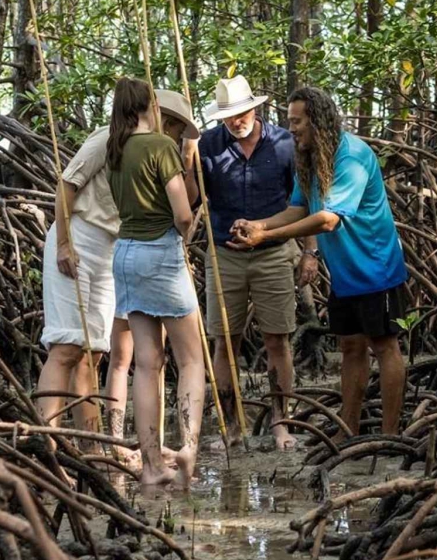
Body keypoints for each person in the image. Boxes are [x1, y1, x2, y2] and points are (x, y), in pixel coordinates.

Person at [228, 86, 409, 442]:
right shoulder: (310, 158)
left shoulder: (351, 157)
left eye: (297, 122)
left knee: (384, 346)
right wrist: (258, 225)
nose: (291, 129)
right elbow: (299, 208)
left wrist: (265, 238)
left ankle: (389, 436)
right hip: (345, 275)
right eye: (290, 121)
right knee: (351, 347)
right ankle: (347, 431)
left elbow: (327, 220)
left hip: (376, 269)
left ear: (318, 121)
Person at [37, 86, 199, 468]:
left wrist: (188, 156)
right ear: (159, 115)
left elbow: (184, 201)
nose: (174, 137)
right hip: (78, 237)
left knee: (92, 353)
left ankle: (92, 450)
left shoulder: (153, 149)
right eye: (174, 129)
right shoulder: (108, 139)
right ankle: (47, 452)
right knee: (65, 348)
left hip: (113, 248)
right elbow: (67, 185)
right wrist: (64, 244)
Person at [197, 76, 318, 450]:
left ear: (255, 108)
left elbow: (305, 200)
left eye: (242, 113)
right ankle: (232, 429)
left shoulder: (283, 143)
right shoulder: (207, 145)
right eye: (228, 116)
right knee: (224, 343)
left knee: (278, 339)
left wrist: (309, 252)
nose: (236, 121)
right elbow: (191, 199)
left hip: (274, 253)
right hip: (224, 256)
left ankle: (281, 424)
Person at [107, 78, 206, 489]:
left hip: (125, 254)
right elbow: (182, 213)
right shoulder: (160, 146)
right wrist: (187, 234)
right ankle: (188, 450)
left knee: (147, 364)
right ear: (148, 107)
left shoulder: (115, 149)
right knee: (191, 359)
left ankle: (151, 467)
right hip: (159, 252)